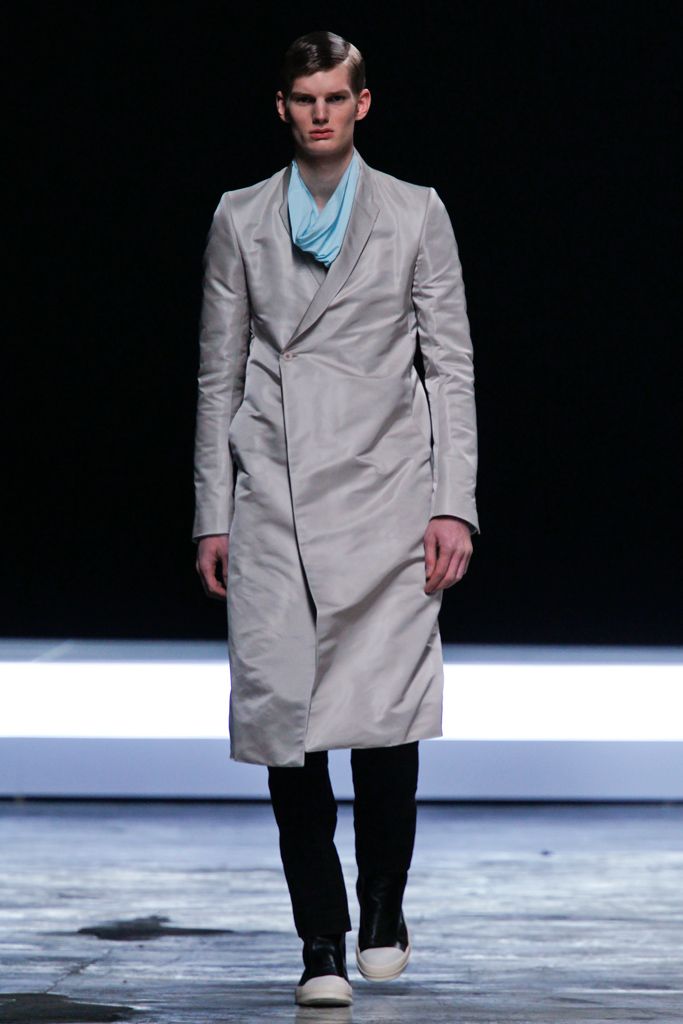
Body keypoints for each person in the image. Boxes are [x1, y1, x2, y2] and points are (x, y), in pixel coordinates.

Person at [193, 30, 479, 1008]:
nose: (318, 113)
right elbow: (217, 373)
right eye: (302, 98)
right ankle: (320, 938)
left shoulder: (414, 212)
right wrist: (211, 513)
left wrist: (451, 503)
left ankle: (382, 902)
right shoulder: (240, 217)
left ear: (362, 104)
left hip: (385, 496)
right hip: (273, 497)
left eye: (333, 97)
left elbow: (448, 367)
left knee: (382, 719)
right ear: (282, 107)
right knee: (290, 729)